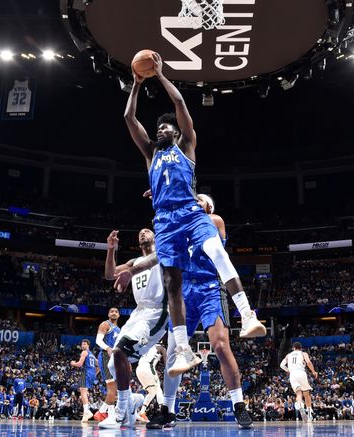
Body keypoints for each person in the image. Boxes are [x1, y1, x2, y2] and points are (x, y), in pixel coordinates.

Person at [123, 52, 263, 375]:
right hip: (164, 220)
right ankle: (183, 350)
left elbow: (181, 105)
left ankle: (247, 314)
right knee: (172, 282)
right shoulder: (150, 154)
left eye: (166, 127)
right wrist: (136, 83)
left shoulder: (186, 148)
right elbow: (129, 119)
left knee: (214, 247)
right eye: (158, 129)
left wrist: (159, 76)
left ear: (176, 133)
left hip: (189, 211)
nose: (161, 130)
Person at [146, 195, 254, 429]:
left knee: (221, 346)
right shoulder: (182, 223)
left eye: (200, 199)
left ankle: (239, 406)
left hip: (210, 289)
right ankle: (168, 410)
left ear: (209, 207)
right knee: (174, 354)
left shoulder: (213, 221)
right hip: (184, 292)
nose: (195, 200)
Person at [99, 228, 169, 429]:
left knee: (121, 352)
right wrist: (111, 249)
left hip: (157, 312)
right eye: (140, 232)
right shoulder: (134, 261)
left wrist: (130, 272)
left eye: (147, 231)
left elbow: (153, 260)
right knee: (114, 364)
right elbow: (110, 274)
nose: (143, 232)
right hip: (138, 313)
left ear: (154, 236)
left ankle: (122, 412)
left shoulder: (162, 251)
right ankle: (132, 401)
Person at [280, 342, 319, 422]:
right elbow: (308, 362)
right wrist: (314, 371)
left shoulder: (288, 355)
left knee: (298, 393)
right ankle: (309, 413)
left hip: (293, 374)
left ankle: (300, 404)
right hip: (301, 373)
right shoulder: (303, 353)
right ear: (300, 348)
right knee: (306, 393)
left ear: (293, 348)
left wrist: (288, 370)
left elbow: (281, 365)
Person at [94, 307, 120, 420]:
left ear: (119, 315)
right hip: (105, 356)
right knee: (112, 388)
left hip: (114, 358)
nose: (114, 313)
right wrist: (107, 348)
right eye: (112, 311)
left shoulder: (118, 329)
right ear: (108, 314)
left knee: (115, 389)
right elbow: (98, 340)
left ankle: (104, 413)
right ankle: (105, 413)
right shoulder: (105, 324)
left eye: (116, 312)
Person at [136, 343, 167, 422]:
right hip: (148, 367)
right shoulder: (161, 348)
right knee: (158, 389)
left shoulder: (147, 347)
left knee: (151, 392)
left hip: (138, 369)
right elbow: (166, 360)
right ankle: (163, 413)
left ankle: (142, 412)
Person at [70, 339, 99, 423]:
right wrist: (94, 373)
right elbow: (99, 365)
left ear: (88, 345)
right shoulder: (92, 355)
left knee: (82, 391)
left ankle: (87, 411)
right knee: (84, 391)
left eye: (85, 344)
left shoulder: (84, 352)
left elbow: (79, 364)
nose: (83, 346)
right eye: (82, 344)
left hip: (86, 372)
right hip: (92, 373)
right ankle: (87, 411)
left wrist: (72, 363)